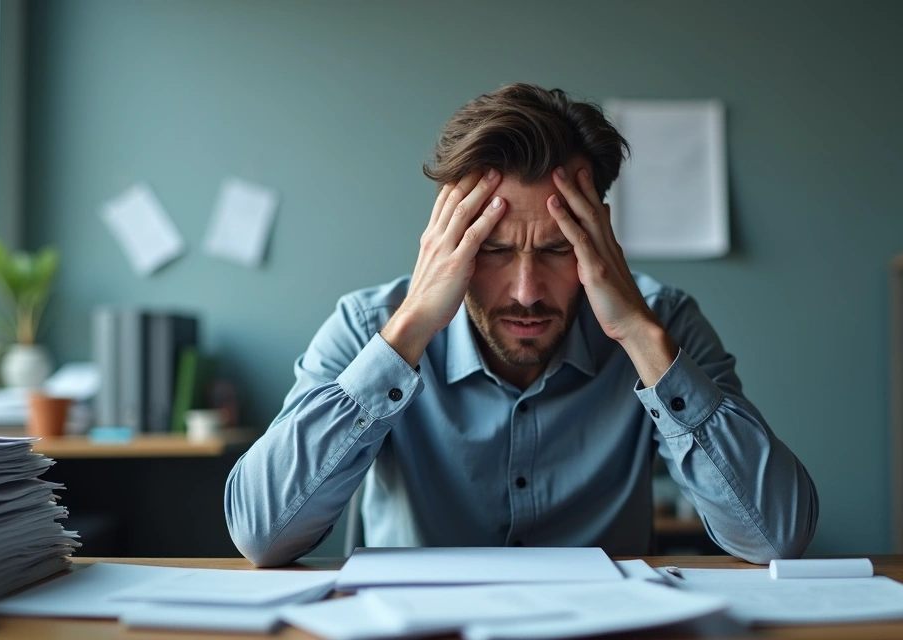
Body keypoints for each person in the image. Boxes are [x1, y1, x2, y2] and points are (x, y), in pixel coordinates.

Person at [225, 83, 818, 567]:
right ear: (447, 241)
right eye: (493, 250)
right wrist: (409, 331)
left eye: (560, 250)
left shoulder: (662, 323)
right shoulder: (368, 327)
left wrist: (641, 337)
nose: (527, 292)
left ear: (600, 239)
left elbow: (775, 537)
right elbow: (262, 535)